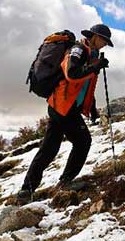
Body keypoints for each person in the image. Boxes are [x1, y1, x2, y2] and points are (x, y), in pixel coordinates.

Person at [17, 24, 112, 203]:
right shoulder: (78, 50)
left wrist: (91, 107)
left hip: (63, 106)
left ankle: (26, 190)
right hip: (63, 106)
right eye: (104, 40)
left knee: (49, 149)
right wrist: (95, 66)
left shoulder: (92, 54)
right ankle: (65, 182)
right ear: (94, 36)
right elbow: (72, 74)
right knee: (83, 141)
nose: (105, 44)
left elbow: (85, 86)